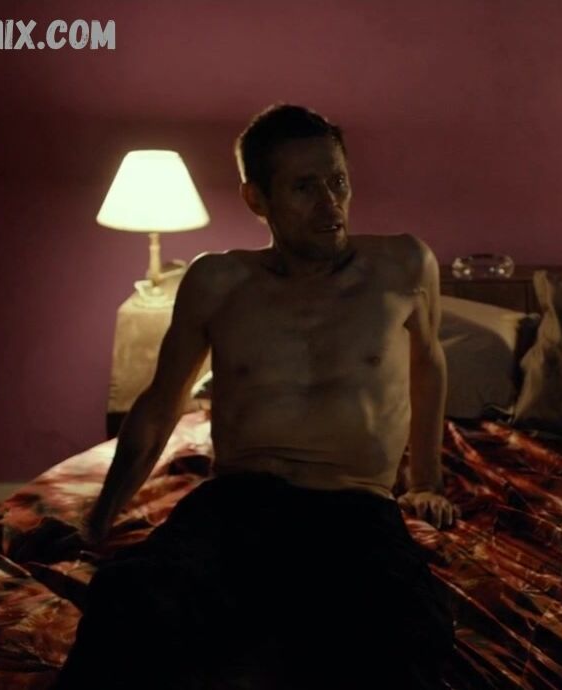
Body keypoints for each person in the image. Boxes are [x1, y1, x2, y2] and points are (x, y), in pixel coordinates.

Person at [54, 104, 457, 689]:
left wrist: (426, 480)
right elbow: (160, 406)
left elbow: (428, 365)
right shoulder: (217, 282)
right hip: (239, 503)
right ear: (256, 199)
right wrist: (99, 519)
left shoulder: (404, 267)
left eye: (338, 181)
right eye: (304, 187)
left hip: (352, 508)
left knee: (406, 634)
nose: (331, 204)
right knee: (131, 600)